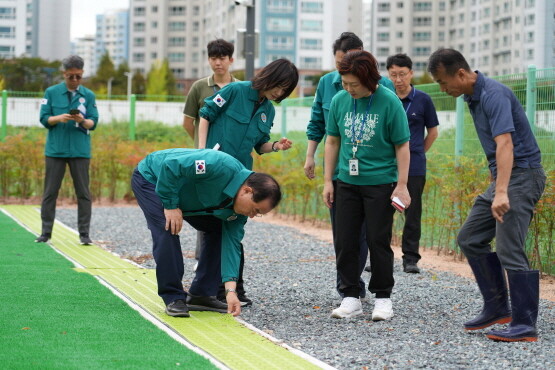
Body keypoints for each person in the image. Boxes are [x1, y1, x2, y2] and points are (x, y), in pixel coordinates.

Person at [428, 48, 546, 342]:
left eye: (444, 83)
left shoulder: (493, 94)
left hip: (523, 176)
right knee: (469, 237)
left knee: (509, 247)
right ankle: (497, 308)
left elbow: (505, 142)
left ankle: (524, 323)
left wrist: (501, 191)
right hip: (506, 178)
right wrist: (494, 183)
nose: (443, 89)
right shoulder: (471, 97)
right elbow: (496, 149)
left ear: (461, 74)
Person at [186, 58, 298, 312]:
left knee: (233, 231)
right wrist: (202, 153)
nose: (279, 92)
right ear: (268, 76)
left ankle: (233, 289)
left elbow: (260, 146)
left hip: (240, 179)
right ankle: (210, 290)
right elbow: (204, 115)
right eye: (278, 85)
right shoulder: (235, 90)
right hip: (214, 173)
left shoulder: (268, 110)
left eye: (285, 90)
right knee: (213, 228)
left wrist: (276, 146)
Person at [131, 148, 282, 318]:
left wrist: (230, 291)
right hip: (154, 179)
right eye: (256, 209)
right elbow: (171, 166)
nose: (253, 216)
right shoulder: (218, 165)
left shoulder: (239, 213)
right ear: (247, 191)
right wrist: (170, 204)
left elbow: (231, 245)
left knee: (219, 232)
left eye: (259, 213)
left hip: (187, 199)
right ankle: (173, 297)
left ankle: (201, 294)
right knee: (167, 229)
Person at [304, 32, 394, 299]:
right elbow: (318, 123)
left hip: (376, 173)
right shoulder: (327, 84)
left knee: (371, 233)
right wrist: (311, 156)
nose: (344, 73)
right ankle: (348, 287)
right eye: (339, 64)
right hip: (342, 170)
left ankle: (363, 287)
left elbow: (394, 132)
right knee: (344, 231)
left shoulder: (384, 87)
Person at [323, 50, 411, 321]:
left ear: (369, 79)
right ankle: (350, 296)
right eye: (345, 84)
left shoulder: (388, 101)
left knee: (377, 241)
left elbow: (402, 145)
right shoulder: (340, 100)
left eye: (353, 84)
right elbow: (333, 141)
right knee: (345, 240)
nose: (348, 89)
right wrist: (329, 180)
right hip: (346, 183)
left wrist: (403, 185)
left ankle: (383, 298)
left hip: (381, 183)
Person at [181, 39, 249, 305]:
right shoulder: (200, 87)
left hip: (236, 167)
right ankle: (206, 280)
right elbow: (189, 122)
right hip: (207, 166)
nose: (218, 61)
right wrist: (201, 149)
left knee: (233, 222)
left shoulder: (239, 88)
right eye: (213, 57)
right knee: (208, 221)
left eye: (223, 57)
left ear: (232, 59)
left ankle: (234, 288)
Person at [35, 55, 99, 245]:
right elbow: (44, 119)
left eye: (78, 76)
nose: (74, 80)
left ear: (82, 74)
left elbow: (93, 122)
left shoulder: (88, 95)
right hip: (56, 151)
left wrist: (82, 121)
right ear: (64, 74)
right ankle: (46, 232)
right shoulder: (51, 92)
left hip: (80, 151)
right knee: (50, 192)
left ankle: (84, 234)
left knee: (83, 193)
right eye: (71, 76)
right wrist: (59, 118)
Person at [386, 53, 439, 274]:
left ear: (411, 73)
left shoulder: (423, 99)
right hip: (387, 165)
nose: (398, 79)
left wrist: (416, 153)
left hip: (415, 165)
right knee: (382, 212)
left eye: (402, 74)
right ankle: (381, 256)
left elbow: (433, 132)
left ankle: (410, 258)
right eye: (393, 75)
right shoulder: (385, 97)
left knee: (412, 211)